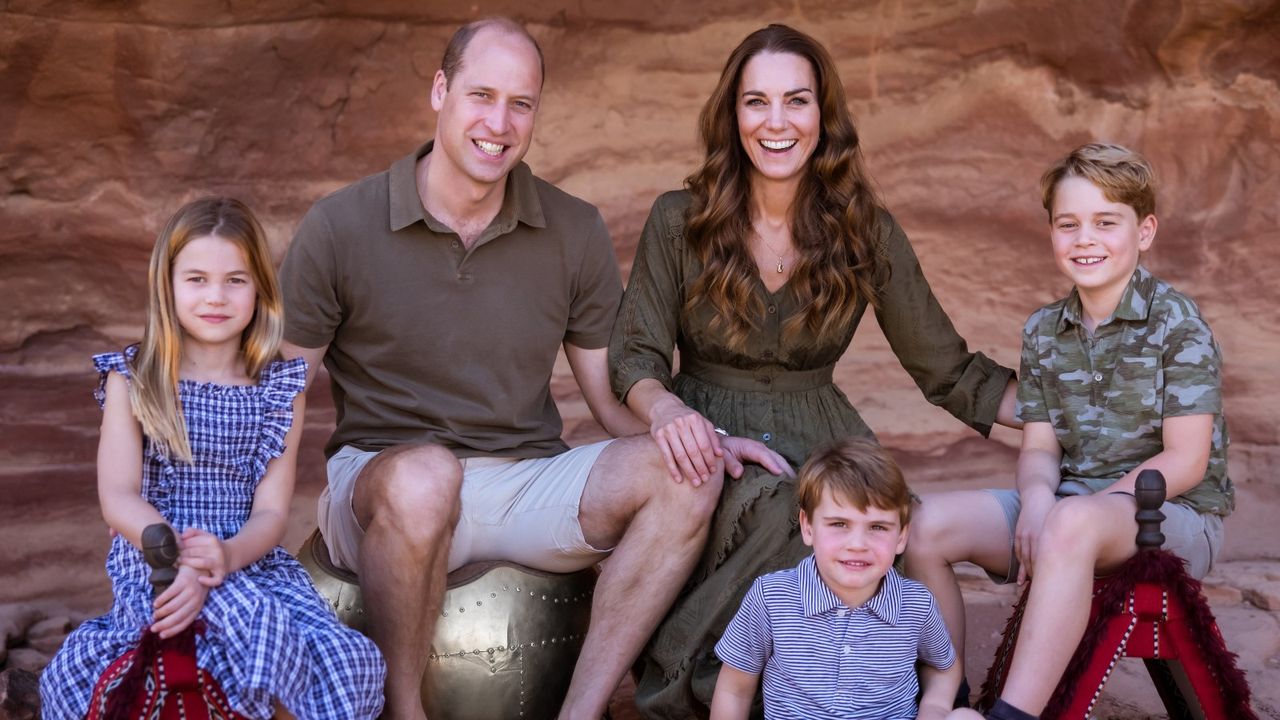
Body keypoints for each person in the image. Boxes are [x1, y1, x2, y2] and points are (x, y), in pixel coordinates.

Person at [278, 17, 784, 720]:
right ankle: (401, 711)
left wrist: (692, 431)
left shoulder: (570, 228)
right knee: (427, 477)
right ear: (440, 91)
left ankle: (579, 711)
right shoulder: (340, 225)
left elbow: (611, 398)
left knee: (685, 475)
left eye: (521, 103)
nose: (499, 121)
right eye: (481, 95)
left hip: (519, 481)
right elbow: (279, 393)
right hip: (381, 481)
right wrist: (236, 523)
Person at [609, 23, 1020, 717]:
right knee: (786, 509)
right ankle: (728, 698)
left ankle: (920, 701)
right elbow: (635, 356)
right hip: (712, 444)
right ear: (731, 114)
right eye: (755, 102)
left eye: (796, 101)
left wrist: (1079, 418)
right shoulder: (679, 220)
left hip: (826, 432)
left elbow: (947, 369)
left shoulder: (865, 229)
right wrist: (669, 413)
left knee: (875, 521)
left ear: (823, 116)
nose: (776, 122)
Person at [905, 143, 1232, 720]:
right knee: (927, 526)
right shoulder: (1043, 331)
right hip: (1069, 508)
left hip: (1170, 519)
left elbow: (1186, 460)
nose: (1086, 239)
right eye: (1068, 224)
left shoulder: (1178, 324)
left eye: (1107, 223)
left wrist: (1067, 518)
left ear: (1145, 231)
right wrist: (1035, 501)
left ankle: (1012, 715)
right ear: (1052, 233)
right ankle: (944, 701)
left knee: (1074, 522)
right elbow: (1039, 448)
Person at [38, 197, 386, 719]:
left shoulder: (279, 387)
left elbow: (271, 512)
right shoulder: (133, 379)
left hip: (245, 558)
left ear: (260, 290)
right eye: (196, 279)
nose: (216, 297)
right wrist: (173, 557)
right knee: (205, 644)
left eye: (236, 280)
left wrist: (224, 558)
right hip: (154, 553)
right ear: (168, 285)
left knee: (339, 660)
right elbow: (118, 497)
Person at [710, 438, 960, 720]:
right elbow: (735, 688)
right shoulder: (772, 597)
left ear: (901, 536)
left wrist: (935, 709)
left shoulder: (915, 605)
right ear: (808, 527)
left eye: (878, 527)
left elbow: (943, 667)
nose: (857, 544)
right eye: (839, 524)